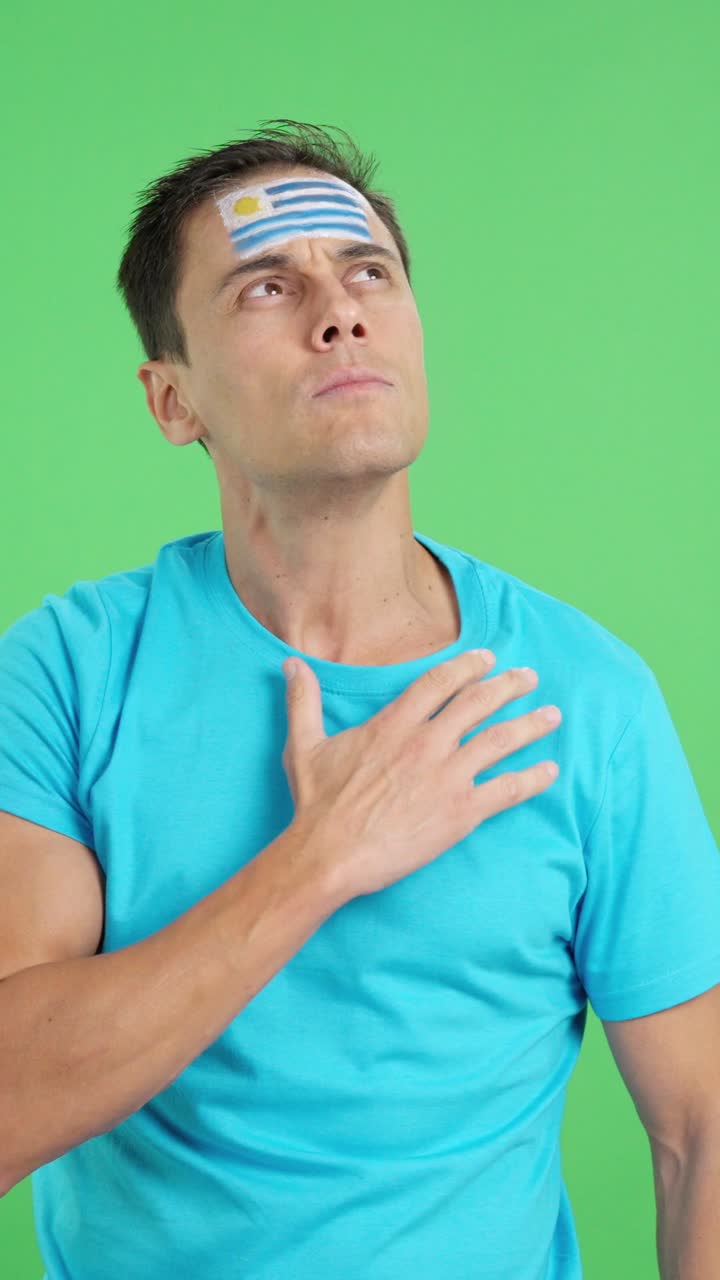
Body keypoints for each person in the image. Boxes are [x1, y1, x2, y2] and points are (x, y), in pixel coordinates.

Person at [1, 119, 719, 1280]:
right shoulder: (66, 672)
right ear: (172, 398)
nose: (338, 312)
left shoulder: (586, 697)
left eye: (367, 272)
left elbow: (702, 1129)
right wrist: (319, 858)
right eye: (265, 286)